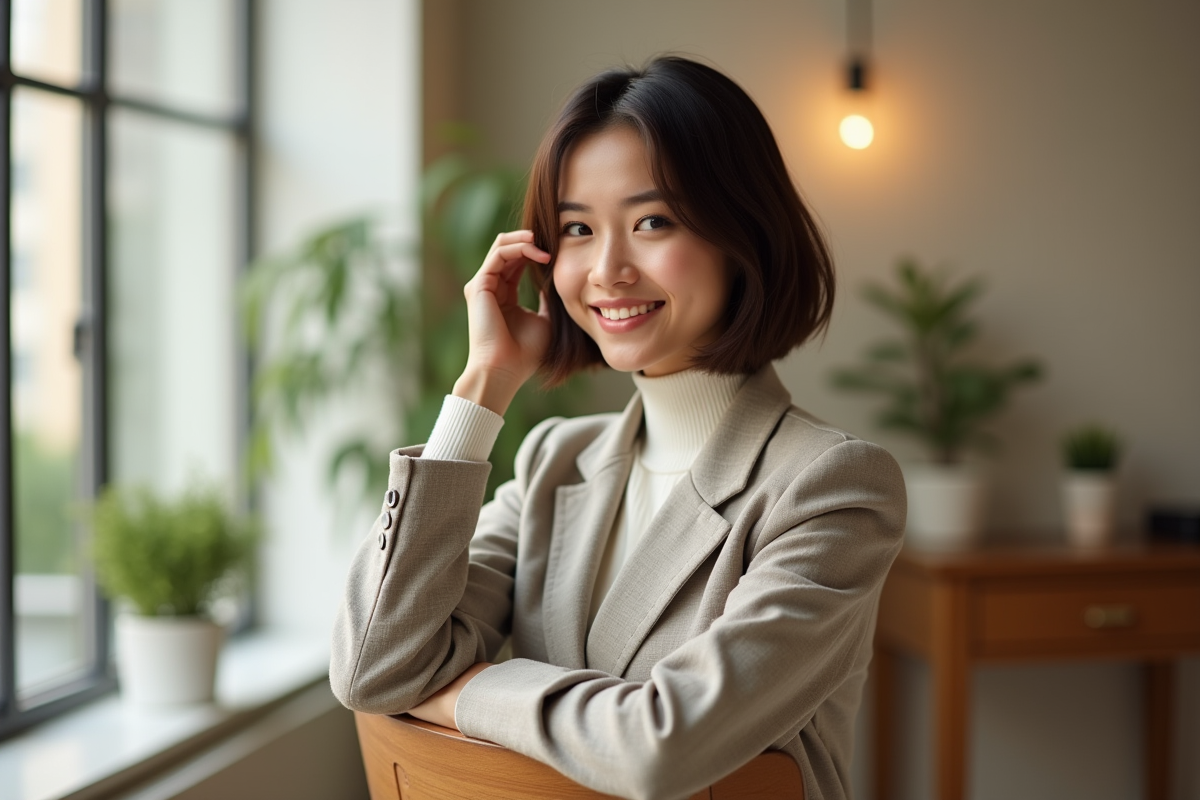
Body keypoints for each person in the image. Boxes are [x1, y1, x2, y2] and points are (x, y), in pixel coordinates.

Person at [331, 56, 906, 800]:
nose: (607, 269)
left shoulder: (832, 485)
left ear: (744, 235)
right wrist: (482, 388)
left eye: (652, 222)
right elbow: (375, 665)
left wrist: (462, 693)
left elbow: (662, 747)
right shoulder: (554, 461)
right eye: (576, 228)